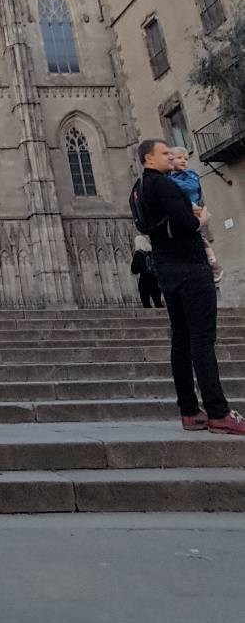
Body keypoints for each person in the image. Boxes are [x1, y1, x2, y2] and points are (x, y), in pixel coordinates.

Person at [130, 140, 243, 435]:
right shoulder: (166, 185)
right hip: (190, 267)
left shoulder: (138, 189)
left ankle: (190, 411)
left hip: (167, 270)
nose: (172, 156)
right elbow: (186, 223)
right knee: (202, 340)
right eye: (165, 153)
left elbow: (146, 227)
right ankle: (218, 412)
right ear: (148, 158)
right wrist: (202, 218)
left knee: (181, 339)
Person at [169, 148, 224, 286]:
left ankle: (214, 265)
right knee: (197, 239)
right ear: (171, 160)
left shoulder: (190, 174)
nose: (183, 161)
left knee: (202, 239)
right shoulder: (170, 178)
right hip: (186, 212)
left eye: (186, 159)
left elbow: (191, 187)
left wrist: (171, 184)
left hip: (194, 209)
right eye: (179, 158)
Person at [130, 234, 163, 308]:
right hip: (155, 280)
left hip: (144, 281)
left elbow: (134, 269)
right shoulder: (152, 252)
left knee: (146, 304)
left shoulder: (138, 254)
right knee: (158, 303)